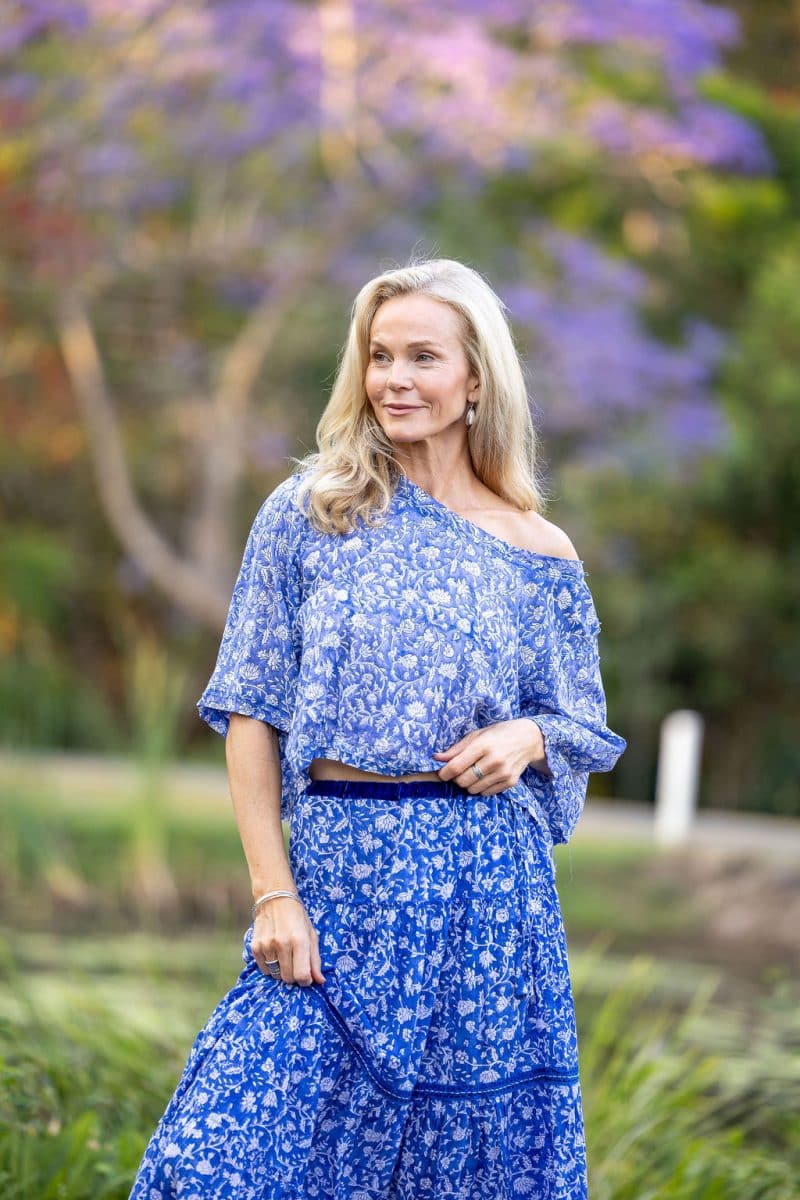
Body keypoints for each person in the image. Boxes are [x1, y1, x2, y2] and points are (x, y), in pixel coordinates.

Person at [128, 257, 627, 1200]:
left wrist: (527, 738)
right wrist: (273, 894)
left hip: (486, 893)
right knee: (219, 1163)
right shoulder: (314, 510)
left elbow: (582, 723)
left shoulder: (536, 547)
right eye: (379, 355)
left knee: (458, 1172)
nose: (395, 378)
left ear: (477, 378)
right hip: (337, 876)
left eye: (423, 357)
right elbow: (249, 709)